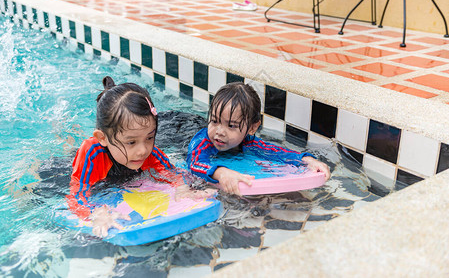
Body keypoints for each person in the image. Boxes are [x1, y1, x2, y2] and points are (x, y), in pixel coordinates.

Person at [66, 76, 202, 238]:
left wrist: (183, 189)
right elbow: (76, 194)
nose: (142, 150)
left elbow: (174, 174)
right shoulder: (92, 153)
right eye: (131, 142)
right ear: (103, 138)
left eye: (149, 138)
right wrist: (96, 214)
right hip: (81, 168)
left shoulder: (150, 152)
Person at [186, 82, 331, 196]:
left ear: (252, 128)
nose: (219, 132)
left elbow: (275, 152)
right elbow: (195, 163)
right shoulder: (202, 142)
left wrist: (306, 160)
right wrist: (221, 173)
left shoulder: (249, 142)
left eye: (231, 125)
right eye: (214, 121)